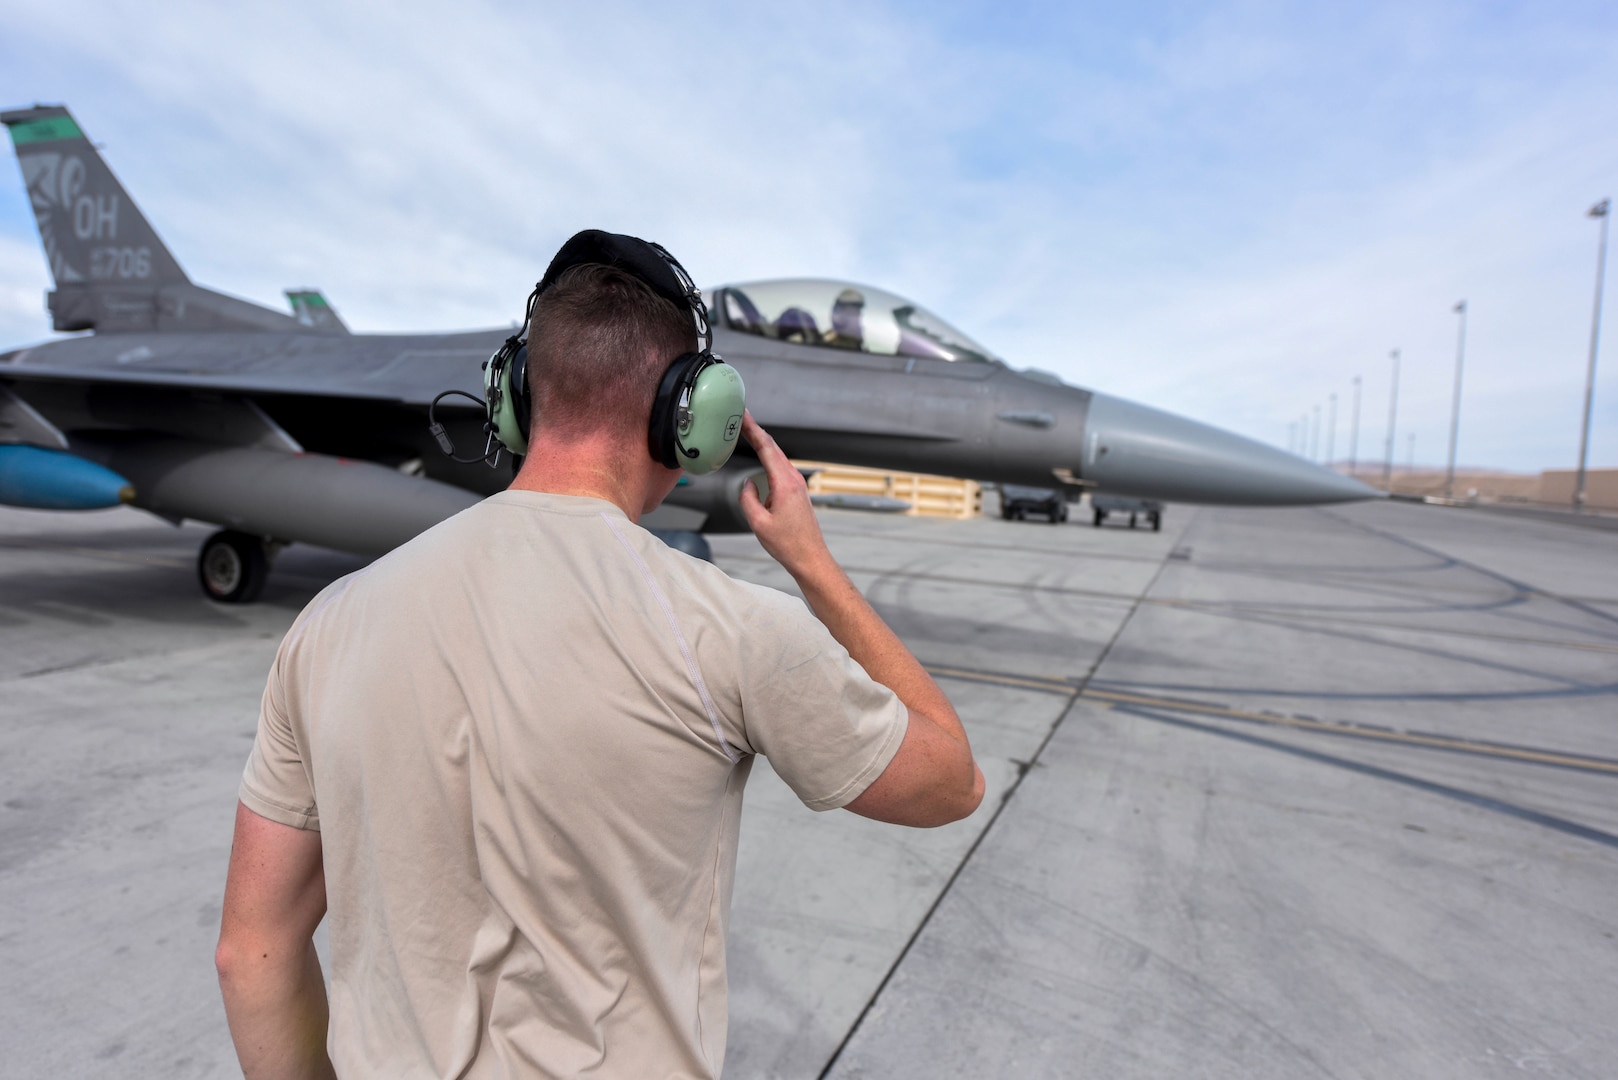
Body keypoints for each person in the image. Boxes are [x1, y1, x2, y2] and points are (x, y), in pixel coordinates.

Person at [215, 235, 984, 1079]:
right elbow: (951, 781)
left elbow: (251, 950)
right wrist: (812, 563)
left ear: (512, 398)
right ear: (687, 421)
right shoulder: (733, 631)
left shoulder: (328, 625)